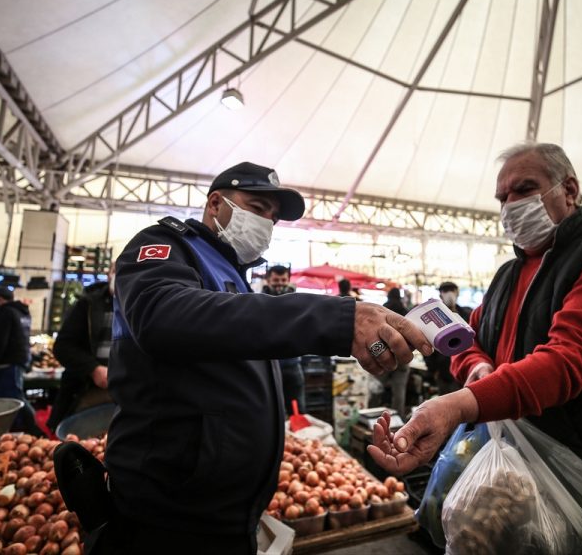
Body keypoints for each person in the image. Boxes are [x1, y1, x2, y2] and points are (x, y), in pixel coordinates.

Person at [367, 142, 582, 554]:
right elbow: (465, 343)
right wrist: (475, 369)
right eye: (502, 197)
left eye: (524, 189)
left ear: (570, 190)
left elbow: (567, 361)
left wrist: (460, 404)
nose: (510, 205)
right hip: (518, 476)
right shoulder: (506, 276)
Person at [98, 162, 432, 553]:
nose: (266, 223)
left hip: (227, 513)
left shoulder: (235, 274)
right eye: (256, 207)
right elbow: (162, 317)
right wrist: (340, 318)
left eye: (272, 217)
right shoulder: (167, 246)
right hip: (169, 513)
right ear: (215, 203)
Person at [47, 266, 116, 432]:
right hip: (89, 393)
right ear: (109, 275)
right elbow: (63, 346)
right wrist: (93, 369)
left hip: (128, 398)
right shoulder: (88, 304)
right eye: (118, 271)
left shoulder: (142, 307)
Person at [0, 287, 42, 436]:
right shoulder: (22, 312)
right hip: (20, 360)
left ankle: (36, 427)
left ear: (0, 300)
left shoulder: (4, 313)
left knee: (15, 399)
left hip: (8, 363)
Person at [262, 265, 305, 414]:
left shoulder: (298, 301)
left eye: (283, 280)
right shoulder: (258, 302)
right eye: (275, 280)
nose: (280, 283)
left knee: (297, 409)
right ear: (267, 280)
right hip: (269, 367)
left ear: (288, 280)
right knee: (271, 409)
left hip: (293, 366)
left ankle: (301, 438)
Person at [425, 282, 472, 395]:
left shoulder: (467, 314)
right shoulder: (434, 316)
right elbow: (427, 341)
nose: (449, 294)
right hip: (444, 372)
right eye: (445, 291)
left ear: (457, 293)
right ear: (440, 295)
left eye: (452, 290)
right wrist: (433, 369)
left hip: (465, 369)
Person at [374, 288, 411, 416]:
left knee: (376, 387)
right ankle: (398, 421)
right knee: (399, 392)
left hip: (382, 356)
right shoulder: (406, 312)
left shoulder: (382, 310)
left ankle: (372, 416)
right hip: (402, 358)